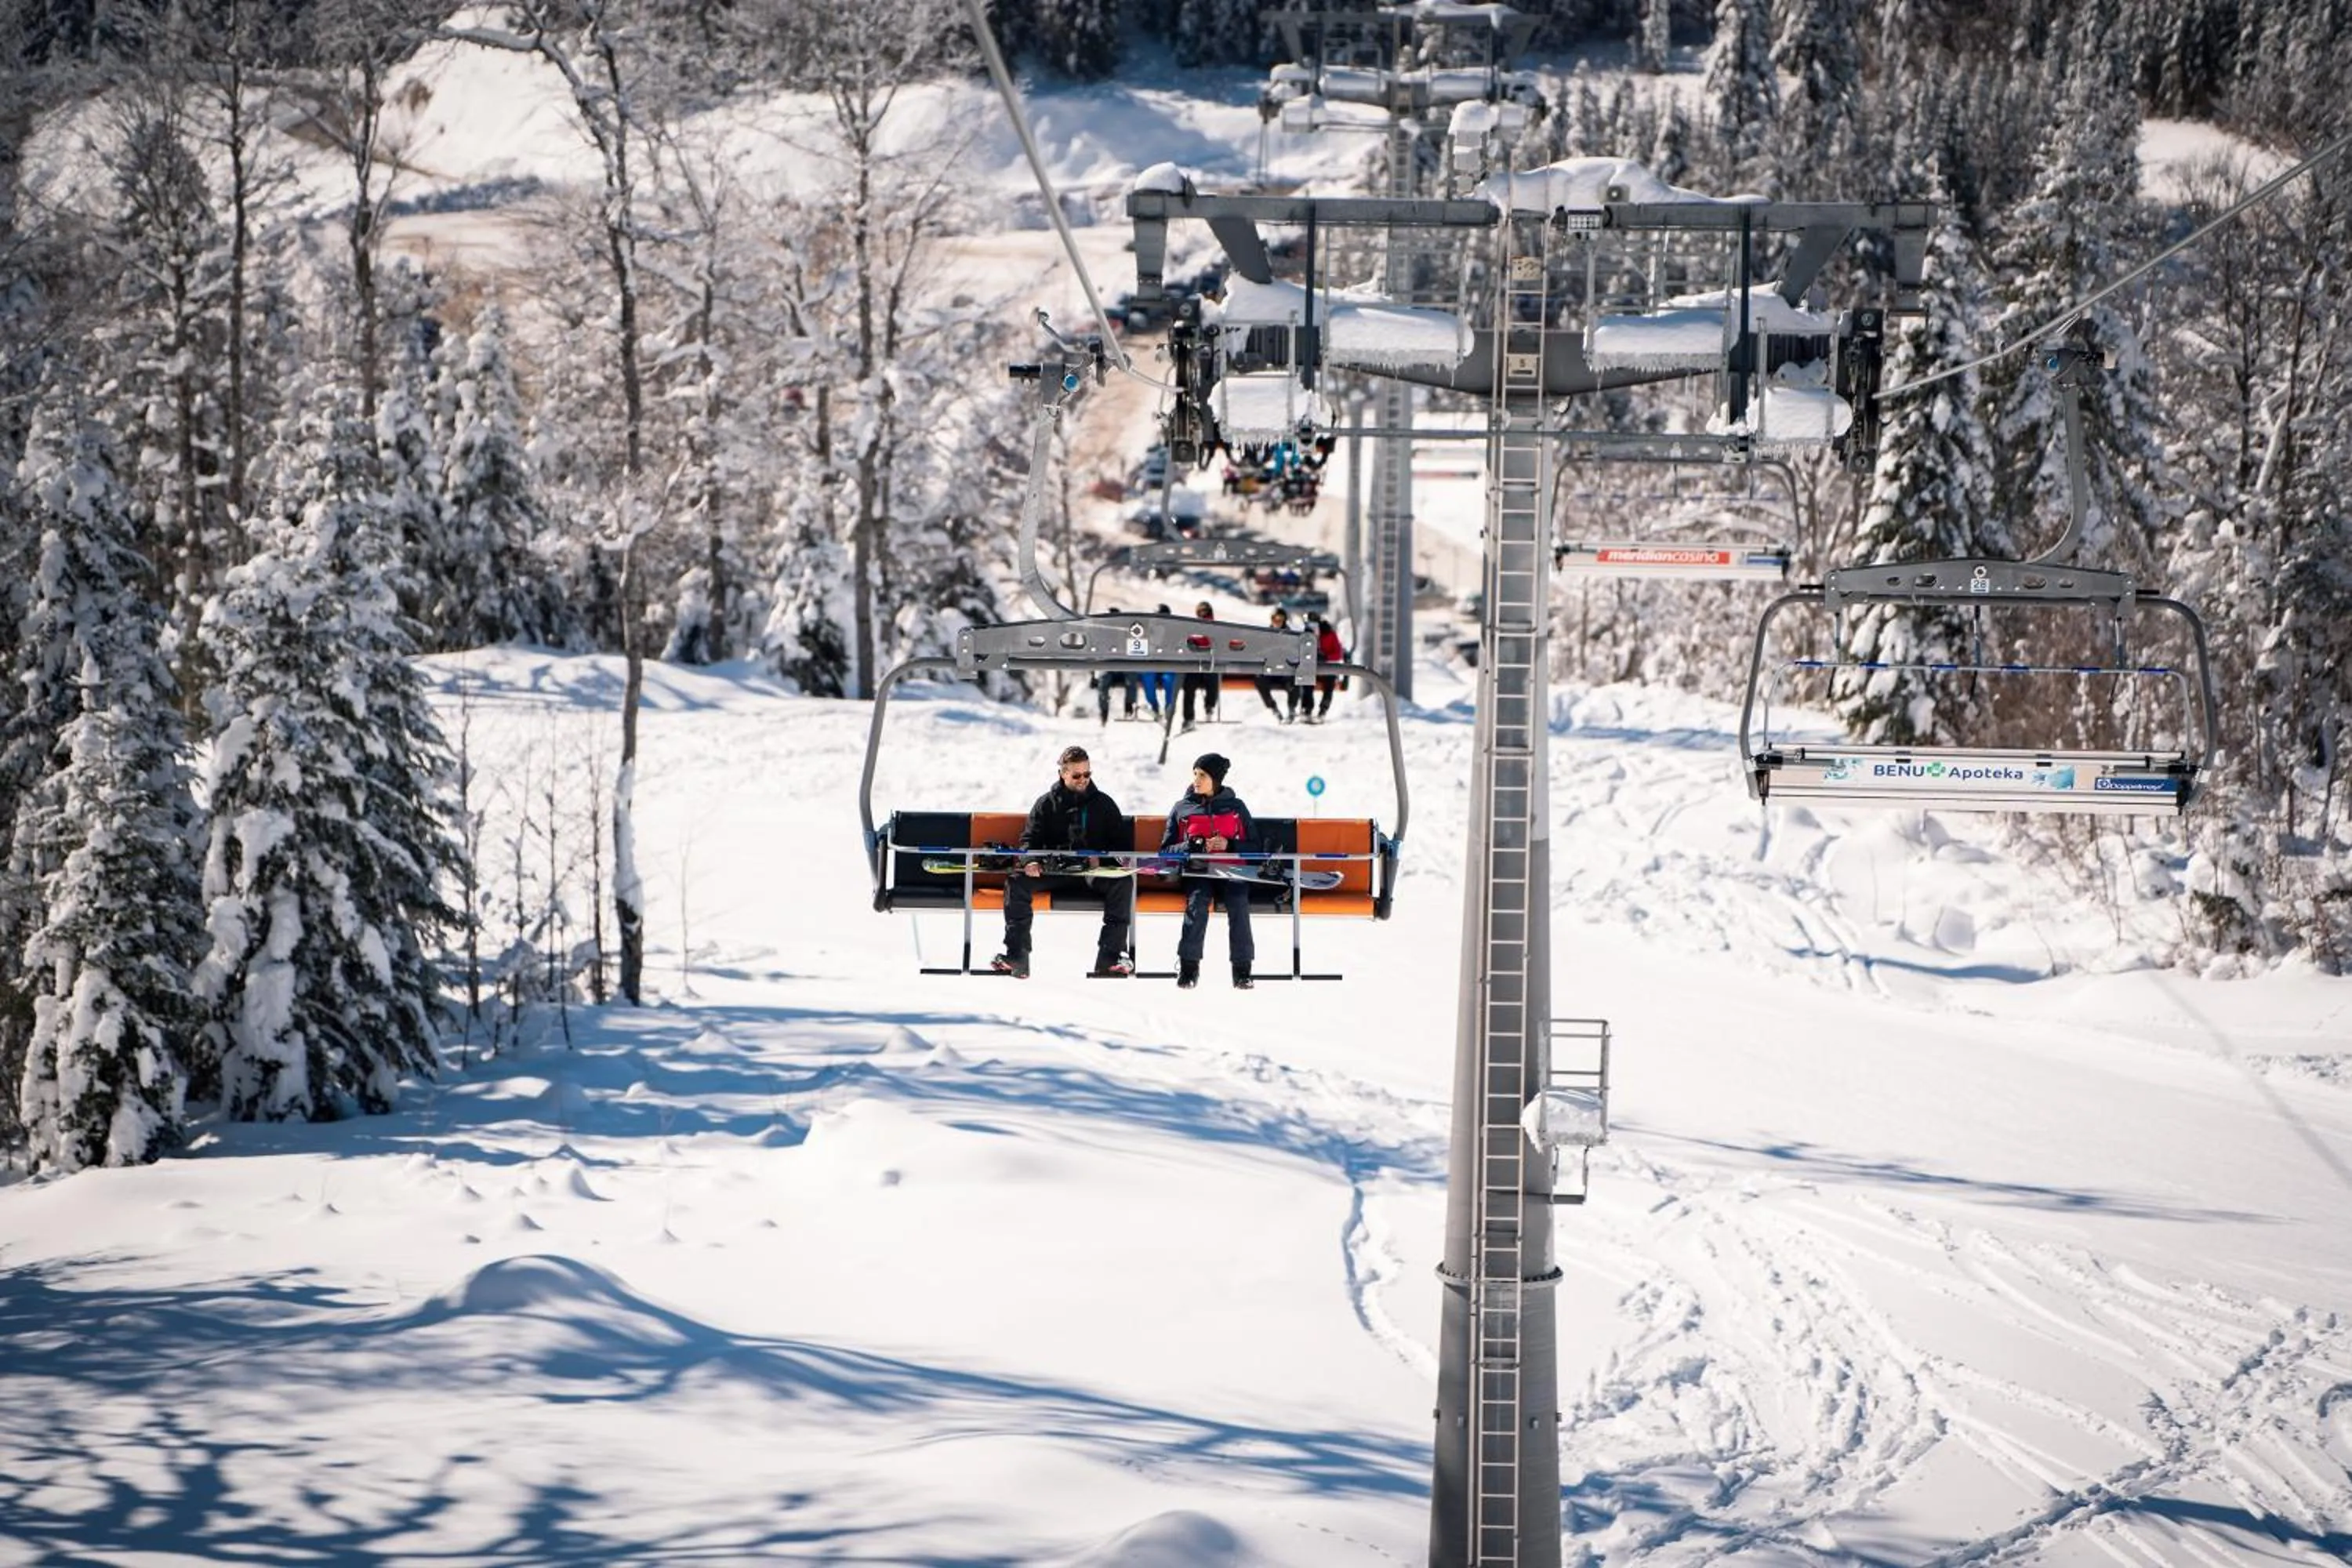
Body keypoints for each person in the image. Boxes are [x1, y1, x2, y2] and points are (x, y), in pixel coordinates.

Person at [990, 746, 1135, 980]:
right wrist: (1031, 861)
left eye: (1087, 774)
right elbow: (1029, 840)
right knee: (1016, 883)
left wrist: (1103, 859)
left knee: (1122, 882)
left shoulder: (1104, 804)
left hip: (1091, 873)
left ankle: (1110, 958)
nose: (1083, 780)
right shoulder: (1046, 804)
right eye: (1076, 775)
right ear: (1063, 774)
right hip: (1056, 872)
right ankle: (1017, 956)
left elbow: (1122, 845)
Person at [1162, 752, 1256, 990]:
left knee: (1238, 900)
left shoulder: (1236, 808)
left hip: (1231, 871)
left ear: (1216, 779)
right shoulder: (1182, 808)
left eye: (1202, 775)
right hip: (1198, 871)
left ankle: (1242, 971)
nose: (1196, 779)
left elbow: (1255, 845)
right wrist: (1190, 845)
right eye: (1194, 774)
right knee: (1197, 901)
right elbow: (1164, 851)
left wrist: (1229, 845)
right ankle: (1189, 968)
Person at [1255, 606, 1305, 723]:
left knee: (1295, 680)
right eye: (1275, 619)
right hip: (1270, 671)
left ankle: (1292, 708)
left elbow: (1296, 654)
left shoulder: (1291, 636)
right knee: (1260, 680)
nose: (1277, 622)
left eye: (1280, 619)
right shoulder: (1266, 635)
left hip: (1285, 672)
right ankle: (1273, 707)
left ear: (1284, 620)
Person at [1179, 601, 1221, 731]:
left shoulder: (1214, 627)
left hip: (1209, 663)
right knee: (1189, 686)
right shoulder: (1194, 627)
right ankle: (1189, 718)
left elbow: (1215, 642)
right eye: (1201, 613)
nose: (1203, 615)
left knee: (1212, 678)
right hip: (1196, 665)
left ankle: (1209, 707)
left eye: (1205, 612)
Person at [1312, 615, 1346, 721]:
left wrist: (1326, 657)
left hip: (1326, 668)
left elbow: (1338, 653)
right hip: (1313, 669)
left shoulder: (1330, 635)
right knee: (1304, 682)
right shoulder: (1308, 635)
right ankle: (1306, 709)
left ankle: (1323, 710)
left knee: (1330, 684)